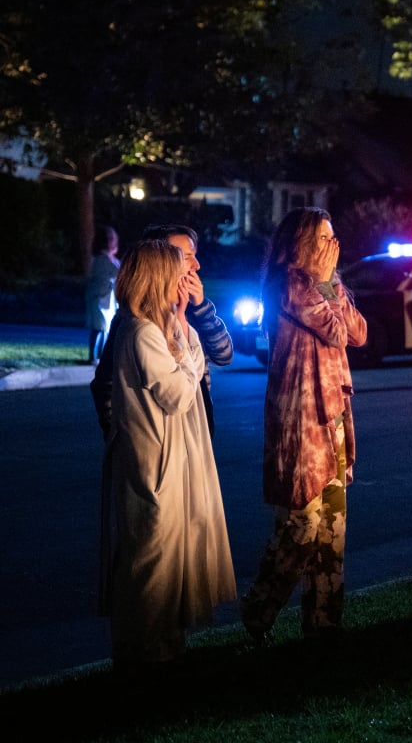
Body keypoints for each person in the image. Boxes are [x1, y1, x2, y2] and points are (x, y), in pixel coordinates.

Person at [99, 238, 236, 674]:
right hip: (154, 462)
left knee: (169, 553)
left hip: (163, 457)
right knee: (153, 558)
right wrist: (190, 357)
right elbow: (178, 393)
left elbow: (201, 357)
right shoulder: (140, 331)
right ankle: (147, 656)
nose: (185, 281)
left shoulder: (153, 327)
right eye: (178, 273)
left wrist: (181, 320)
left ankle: (164, 645)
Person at [241, 207, 368, 644]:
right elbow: (334, 331)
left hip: (332, 416)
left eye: (334, 238)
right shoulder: (289, 285)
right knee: (301, 524)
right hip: (300, 420)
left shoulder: (324, 284)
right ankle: (258, 612)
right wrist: (327, 284)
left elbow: (359, 332)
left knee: (332, 528)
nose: (332, 248)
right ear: (298, 244)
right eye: (322, 239)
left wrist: (331, 283)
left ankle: (324, 625)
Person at [91, 224, 234, 441]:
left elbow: (224, 355)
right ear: (160, 261)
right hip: (158, 442)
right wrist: (119, 437)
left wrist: (201, 307)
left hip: (198, 433)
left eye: (194, 255)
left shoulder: (194, 310)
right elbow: (104, 385)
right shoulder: (134, 321)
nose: (196, 265)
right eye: (186, 257)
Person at [85, 225, 120, 365]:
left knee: (105, 329)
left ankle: (101, 355)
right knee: (98, 328)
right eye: (109, 239)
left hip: (108, 300)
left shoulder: (111, 259)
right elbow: (115, 272)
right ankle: (93, 356)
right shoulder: (101, 260)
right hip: (99, 299)